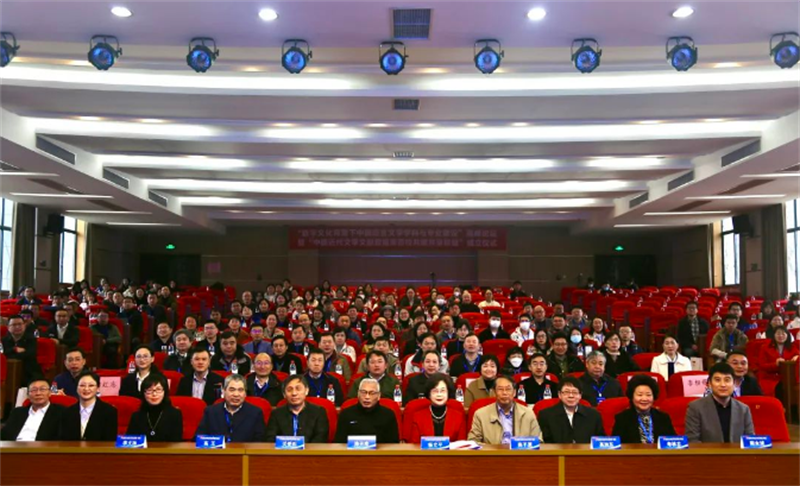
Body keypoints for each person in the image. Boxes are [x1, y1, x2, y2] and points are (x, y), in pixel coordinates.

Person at [685, 363, 755, 443]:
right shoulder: (695, 408)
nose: (723, 385)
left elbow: (750, 441)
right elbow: (692, 441)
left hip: (737, 451)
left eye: (727, 380)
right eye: (717, 380)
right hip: (707, 451)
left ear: (734, 384)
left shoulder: (743, 409)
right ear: (709, 384)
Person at [468, 374, 541, 445]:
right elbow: (473, 442)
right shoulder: (481, 414)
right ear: (494, 392)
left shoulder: (528, 414)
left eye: (508, 389)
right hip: (493, 453)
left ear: (514, 392)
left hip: (520, 452)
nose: (504, 393)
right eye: (500, 389)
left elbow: (538, 441)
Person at [196, 374, 265, 442]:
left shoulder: (255, 413)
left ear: (245, 393)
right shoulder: (210, 412)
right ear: (223, 391)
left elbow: (260, 442)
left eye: (240, 390)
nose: (236, 394)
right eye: (232, 390)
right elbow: (199, 439)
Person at [537, 376, 605, 444]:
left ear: (580, 395)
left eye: (575, 392)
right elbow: (545, 442)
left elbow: (601, 442)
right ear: (559, 394)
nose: (571, 396)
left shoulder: (593, 415)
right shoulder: (546, 415)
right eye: (566, 392)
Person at [612, 374, 676, 444]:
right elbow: (615, 445)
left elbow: (674, 442)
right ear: (632, 396)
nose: (644, 399)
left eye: (648, 395)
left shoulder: (663, 418)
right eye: (640, 395)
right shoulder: (622, 418)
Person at [265, 374, 330, 442]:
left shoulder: (319, 412)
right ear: (284, 394)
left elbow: (321, 438)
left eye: (298, 389)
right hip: (284, 448)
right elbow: (270, 439)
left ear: (306, 391)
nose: (294, 393)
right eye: (289, 390)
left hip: (311, 449)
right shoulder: (276, 414)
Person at [335, 378, 400, 443]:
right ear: (358, 394)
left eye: (372, 393)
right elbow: (339, 442)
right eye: (363, 392)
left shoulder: (388, 415)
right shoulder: (346, 414)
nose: (367, 397)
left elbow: (393, 444)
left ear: (378, 396)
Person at [0, 376, 64, 441]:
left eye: (42, 389)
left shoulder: (61, 412)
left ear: (50, 393)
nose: (38, 393)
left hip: (43, 447)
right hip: (14, 446)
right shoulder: (17, 412)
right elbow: (5, 435)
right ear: (28, 395)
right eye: (34, 390)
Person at [408, 373, 466, 443]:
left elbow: (462, 444)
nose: (439, 394)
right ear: (429, 394)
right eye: (435, 391)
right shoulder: (418, 417)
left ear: (448, 393)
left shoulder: (458, 417)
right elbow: (414, 445)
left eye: (443, 391)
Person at [61, 371, 118, 441]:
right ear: (76, 388)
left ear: (98, 388)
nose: (86, 389)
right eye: (82, 385)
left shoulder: (109, 412)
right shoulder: (67, 412)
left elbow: (110, 440)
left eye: (91, 385)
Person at [126, 373, 183, 441]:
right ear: (143, 393)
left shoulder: (175, 414)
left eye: (158, 390)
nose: (154, 394)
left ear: (165, 392)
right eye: (149, 390)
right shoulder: (136, 416)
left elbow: (176, 442)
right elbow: (129, 441)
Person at [1, 315, 42, 383]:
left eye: (20, 324)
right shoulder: (4, 340)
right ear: (8, 327)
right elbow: (2, 355)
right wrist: (14, 349)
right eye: (14, 325)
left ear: (24, 325)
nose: (17, 327)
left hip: (29, 372)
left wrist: (10, 354)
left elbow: (30, 355)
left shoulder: (31, 339)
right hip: (7, 371)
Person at [758, 326, 800, 390]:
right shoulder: (765, 348)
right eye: (778, 333)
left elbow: (798, 356)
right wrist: (775, 364)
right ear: (773, 335)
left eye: (783, 334)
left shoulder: (792, 347)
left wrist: (797, 356)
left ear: (787, 335)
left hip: (787, 377)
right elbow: (761, 365)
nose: (780, 336)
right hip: (770, 377)